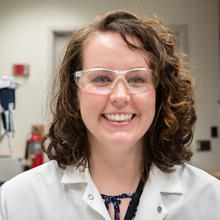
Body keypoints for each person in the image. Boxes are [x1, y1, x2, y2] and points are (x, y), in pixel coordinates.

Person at [0, 10, 220, 220]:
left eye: (137, 79)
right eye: (101, 79)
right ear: (75, 94)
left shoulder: (210, 199)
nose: (120, 96)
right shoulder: (18, 200)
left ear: (159, 93)